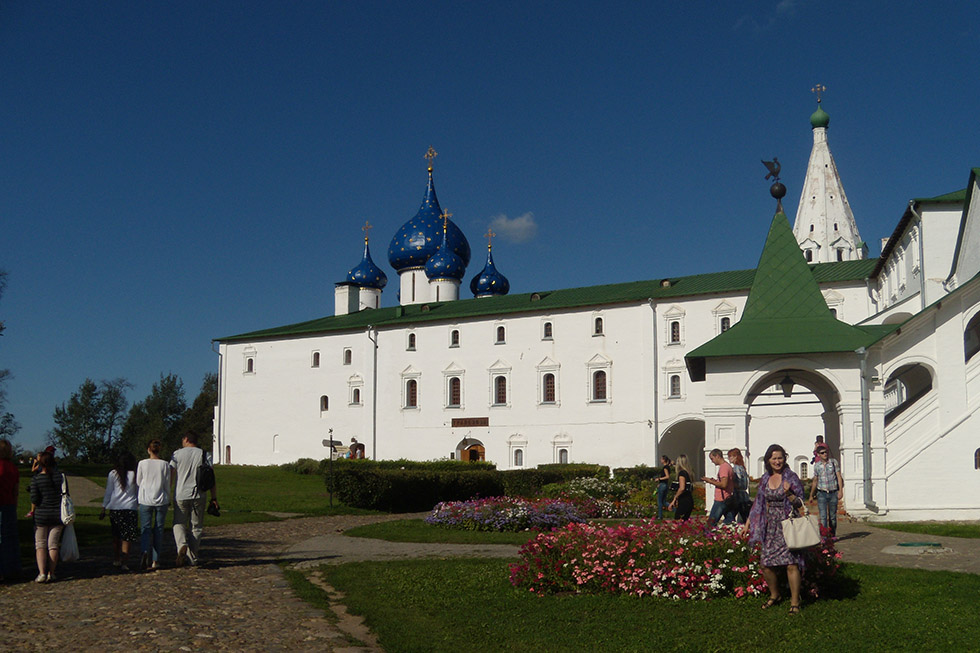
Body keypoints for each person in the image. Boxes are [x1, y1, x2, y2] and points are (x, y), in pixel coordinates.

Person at [747, 443, 806, 614]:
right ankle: (775, 595)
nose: (777, 461)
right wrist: (749, 523)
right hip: (770, 525)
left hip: (788, 523)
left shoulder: (791, 477)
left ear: (784, 459)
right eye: (774, 458)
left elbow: (800, 503)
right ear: (768, 460)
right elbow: (758, 503)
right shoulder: (766, 478)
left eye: (780, 458)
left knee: (791, 564)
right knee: (765, 563)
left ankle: (795, 601)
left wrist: (789, 493)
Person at [170, 433, 218, 567]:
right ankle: (193, 558)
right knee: (196, 527)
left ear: (186, 439)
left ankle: (182, 545)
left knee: (178, 523)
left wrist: (167, 492)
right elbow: (211, 477)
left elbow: (171, 474)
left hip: (181, 494)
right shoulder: (204, 454)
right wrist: (214, 497)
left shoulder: (177, 454)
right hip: (199, 494)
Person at [29, 450, 64, 583]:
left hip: (41, 515)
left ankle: (42, 572)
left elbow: (34, 498)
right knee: (53, 545)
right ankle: (52, 572)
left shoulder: (37, 479)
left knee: (40, 545)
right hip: (57, 514)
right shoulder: (60, 477)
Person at [100, 452, 139, 571]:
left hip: (115, 508)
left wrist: (104, 507)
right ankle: (125, 561)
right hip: (130, 508)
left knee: (116, 535)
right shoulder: (135, 475)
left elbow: (109, 491)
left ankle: (116, 558)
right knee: (127, 537)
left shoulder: (113, 474)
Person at [137, 439, 171, 570]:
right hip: (161, 499)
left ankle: (145, 551)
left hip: (145, 499)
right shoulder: (165, 464)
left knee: (145, 529)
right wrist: (168, 497)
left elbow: (139, 481)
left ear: (148, 450)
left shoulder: (142, 463)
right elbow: (167, 483)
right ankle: (155, 560)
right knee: (158, 529)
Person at [808, 444, 843, 537]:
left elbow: (839, 476)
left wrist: (840, 491)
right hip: (822, 493)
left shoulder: (833, 462)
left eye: (826, 452)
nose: (825, 454)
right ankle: (824, 537)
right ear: (818, 455)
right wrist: (811, 495)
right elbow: (815, 480)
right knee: (823, 517)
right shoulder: (817, 466)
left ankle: (832, 535)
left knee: (832, 517)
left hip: (833, 492)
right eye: (822, 453)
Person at [0, 438, 21, 581]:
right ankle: (11, 568)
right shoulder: (13, 468)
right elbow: (16, 490)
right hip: (10, 504)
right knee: (10, 538)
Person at [702, 448, 735, 525]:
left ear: (717, 456)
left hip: (721, 499)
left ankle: (708, 535)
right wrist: (714, 481)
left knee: (712, 522)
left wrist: (710, 481)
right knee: (729, 521)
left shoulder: (723, 468)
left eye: (712, 459)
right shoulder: (727, 466)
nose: (712, 461)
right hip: (727, 497)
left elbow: (724, 484)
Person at [728, 448, 752, 524]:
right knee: (742, 515)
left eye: (731, 456)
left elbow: (739, 483)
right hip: (743, 495)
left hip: (738, 494)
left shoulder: (736, 468)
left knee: (731, 515)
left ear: (736, 457)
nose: (729, 458)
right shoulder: (742, 467)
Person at [666, 454, 694, 520]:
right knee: (684, 521)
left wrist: (675, 498)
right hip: (689, 499)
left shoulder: (681, 473)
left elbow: (682, 488)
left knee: (678, 521)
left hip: (684, 500)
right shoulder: (689, 473)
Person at [656, 455, 672, 520]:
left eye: (661, 459)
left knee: (660, 501)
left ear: (663, 460)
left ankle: (660, 515)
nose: (660, 460)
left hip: (663, 485)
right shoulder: (668, 467)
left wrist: (659, 479)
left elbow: (667, 476)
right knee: (664, 501)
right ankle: (675, 510)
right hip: (664, 484)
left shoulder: (665, 468)